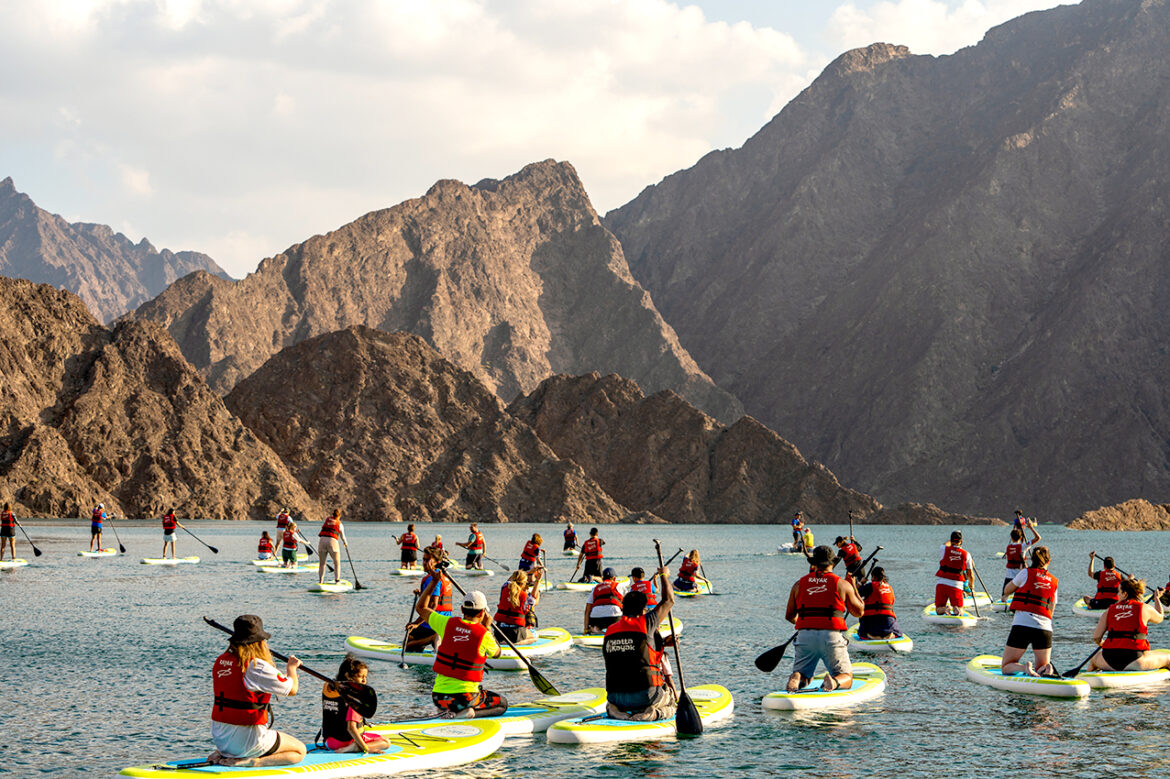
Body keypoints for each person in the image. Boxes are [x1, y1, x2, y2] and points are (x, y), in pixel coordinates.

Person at [208, 615, 305, 767]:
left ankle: (223, 753)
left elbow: (248, 685)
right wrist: (291, 668)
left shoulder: (221, 660)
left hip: (221, 739)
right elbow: (292, 689)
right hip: (248, 742)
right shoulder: (255, 666)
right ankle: (255, 761)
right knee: (300, 751)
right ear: (259, 642)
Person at [415, 579, 507, 718]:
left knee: (453, 698)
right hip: (465, 699)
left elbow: (421, 608)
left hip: (438, 698)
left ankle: (449, 712)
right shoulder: (484, 635)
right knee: (502, 704)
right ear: (482, 613)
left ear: (462, 609)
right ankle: (469, 714)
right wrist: (487, 627)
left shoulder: (447, 623)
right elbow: (497, 653)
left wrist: (434, 581)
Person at [603, 564, 677, 721]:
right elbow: (668, 600)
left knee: (611, 703)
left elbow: (631, 650)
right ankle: (653, 713)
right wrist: (664, 576)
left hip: (615, 696)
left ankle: (614, 710)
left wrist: (662, 642)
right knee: (671, 702)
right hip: (646, 695)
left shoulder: (610, 630)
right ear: (643, 610)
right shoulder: (646, 622)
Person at [785, 545, 864, 692]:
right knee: (846, 676)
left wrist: (806, 625)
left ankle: (796, 677)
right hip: (831, 636)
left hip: (805, 636)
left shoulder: (798, 584)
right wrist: (854, 587)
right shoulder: (842, 584)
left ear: (814, 564)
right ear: (832, 563)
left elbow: (789, 616)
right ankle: (833, 682)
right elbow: (859, 612)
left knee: (805, 677)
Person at [1089, 578, 1170, 672]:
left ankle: (1085, 679)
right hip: (1136, 660)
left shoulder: (1109, 610)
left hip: (1109, 660)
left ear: (1125, 593)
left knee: (1094, 659)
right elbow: (1160, 617)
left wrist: (1104, 644)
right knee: (1168, 658)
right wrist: (1157, 598)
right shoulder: (1144, 608)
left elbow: (1096, 637)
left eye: (1118, 591)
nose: (1117, 594)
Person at [1002, 546, 1059, 676]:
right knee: (1041, 667)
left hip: (1023, 624)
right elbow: (1051, 609)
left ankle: (1025, 668)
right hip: (1045, 627)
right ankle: (1047, 667)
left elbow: (1007, 590)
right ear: (1048, 561)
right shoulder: (1054, 581)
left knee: (1006, 666)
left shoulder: (1025, 572)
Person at [321, 655, 389, 754]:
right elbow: (351, 728)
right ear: (349, 676)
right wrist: (366, 748)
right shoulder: (355, 698)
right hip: (346, 742)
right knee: (386, 742)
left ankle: (354, 746)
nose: (364, 680)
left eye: (365, 677)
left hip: (330, 742)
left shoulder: (328, 688)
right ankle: (354, 748)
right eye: (360, 676)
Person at [404, 548, 454, 651]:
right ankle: (434, 641)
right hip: (446, 621)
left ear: (437, 562)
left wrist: (417, 623)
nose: (424, 563)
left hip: (434, 622)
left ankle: (432, 639)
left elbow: (433, 605)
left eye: (428, 560)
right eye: (423, 559)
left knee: (407, 643)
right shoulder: (444, 576)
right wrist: (422, 594)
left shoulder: (432, 578)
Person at [494, 569, 542, 644]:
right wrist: (538, 581)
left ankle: (503, 641)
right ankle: (516, 643)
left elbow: (509, 580)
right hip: (515, 633)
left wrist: (528, 572)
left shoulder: (504, 588)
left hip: (499, 631)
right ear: (524, 583)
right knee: (535, 636)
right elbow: (535, 601)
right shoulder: (525, 596)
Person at [933, 530, 974, 616]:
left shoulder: (943, 549)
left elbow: (945, 544)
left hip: (942, 584)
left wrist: (951, 540)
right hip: (956, 585)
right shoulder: (967, 555)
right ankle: (956, 609)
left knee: (938, 609)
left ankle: (945, 609)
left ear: (951, 540)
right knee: (960, 609)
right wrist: (971, 586)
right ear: (961, 541)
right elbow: (970, 575)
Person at [856, 566, 902, 640]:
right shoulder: (889, 587)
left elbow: (854, 593)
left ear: (873, 576)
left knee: (861, 634)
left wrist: (860, 583)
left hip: (872, 622)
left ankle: (871, 635)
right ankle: (889, 634)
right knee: (898, 633)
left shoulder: (870, 586)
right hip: (889, 623)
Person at [584, 568, 627, 634]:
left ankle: (595, 630)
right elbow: (630, 603)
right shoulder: (619, 586)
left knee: (593, 629)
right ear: (614, 578)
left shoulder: (595, 588)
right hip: (614, 617)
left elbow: (587, 610)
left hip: (596, 618)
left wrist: (586, 629)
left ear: (602, 578)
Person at [1002, 523, 1041, 596]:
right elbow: (1038, 538)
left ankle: (1004, 601)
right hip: (1020, 576)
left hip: (1009, 576)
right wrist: (1031, 528)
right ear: (1020, 538)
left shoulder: (1008, 547)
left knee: (1004, 595)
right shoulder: (1023, 546)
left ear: (1011, 538)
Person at [317, 509, 347, 585]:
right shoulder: (339, 524)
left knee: (322, 564)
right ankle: (337, 581)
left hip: (322, 541)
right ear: (339, 516)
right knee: (337, 563)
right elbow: (342, 536)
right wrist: (345, 543)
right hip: (332, 542)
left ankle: (320, 581)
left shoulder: (327, 520)